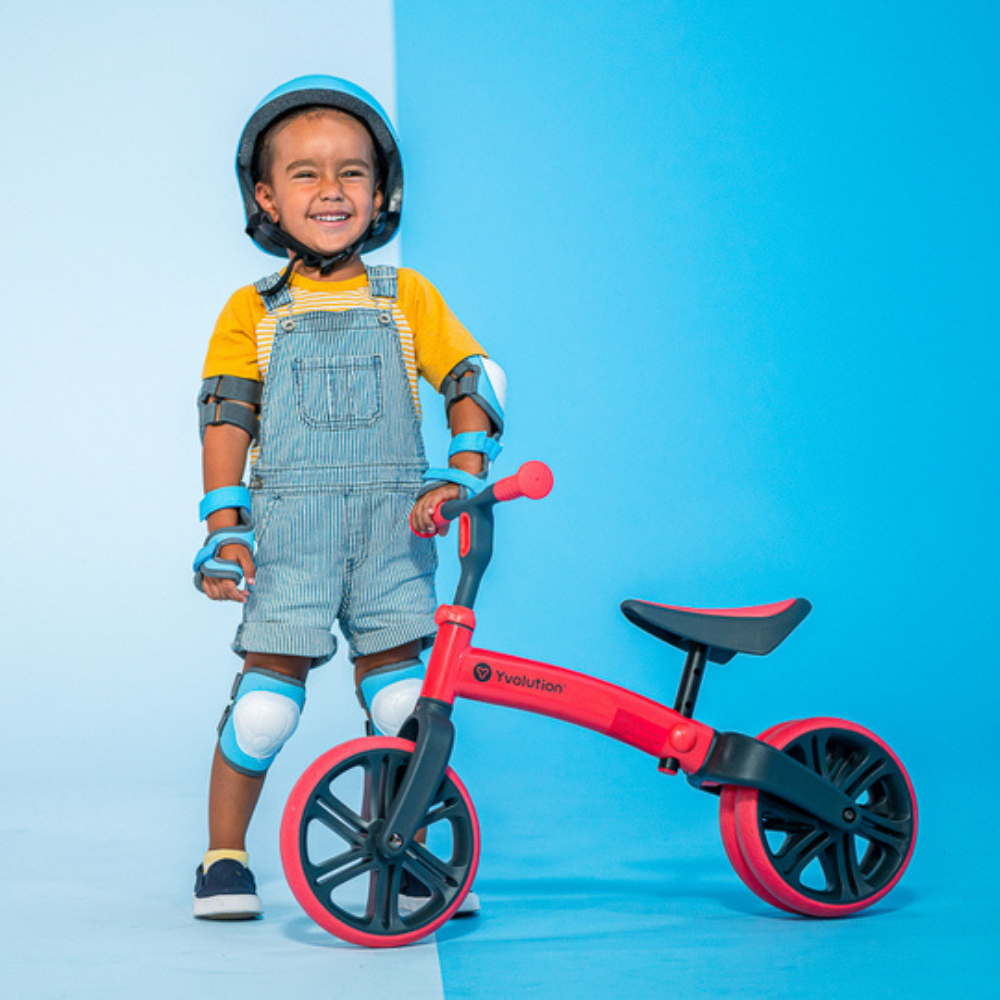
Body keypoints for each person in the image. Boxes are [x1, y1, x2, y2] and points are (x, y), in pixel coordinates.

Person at [191, 75, 505, 920]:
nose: (331, 190)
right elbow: (226, 418)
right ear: (266, 197)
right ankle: (223, 859)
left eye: (352, 173)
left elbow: (474, 378)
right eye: (305, 173)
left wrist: (461, 470)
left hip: (393, 532)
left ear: (382, 190)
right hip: (292, 535)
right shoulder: (252, 312)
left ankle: (405, 858)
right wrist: (225, 528)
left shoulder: (408, 299)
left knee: (405, 707)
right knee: (263, 710)